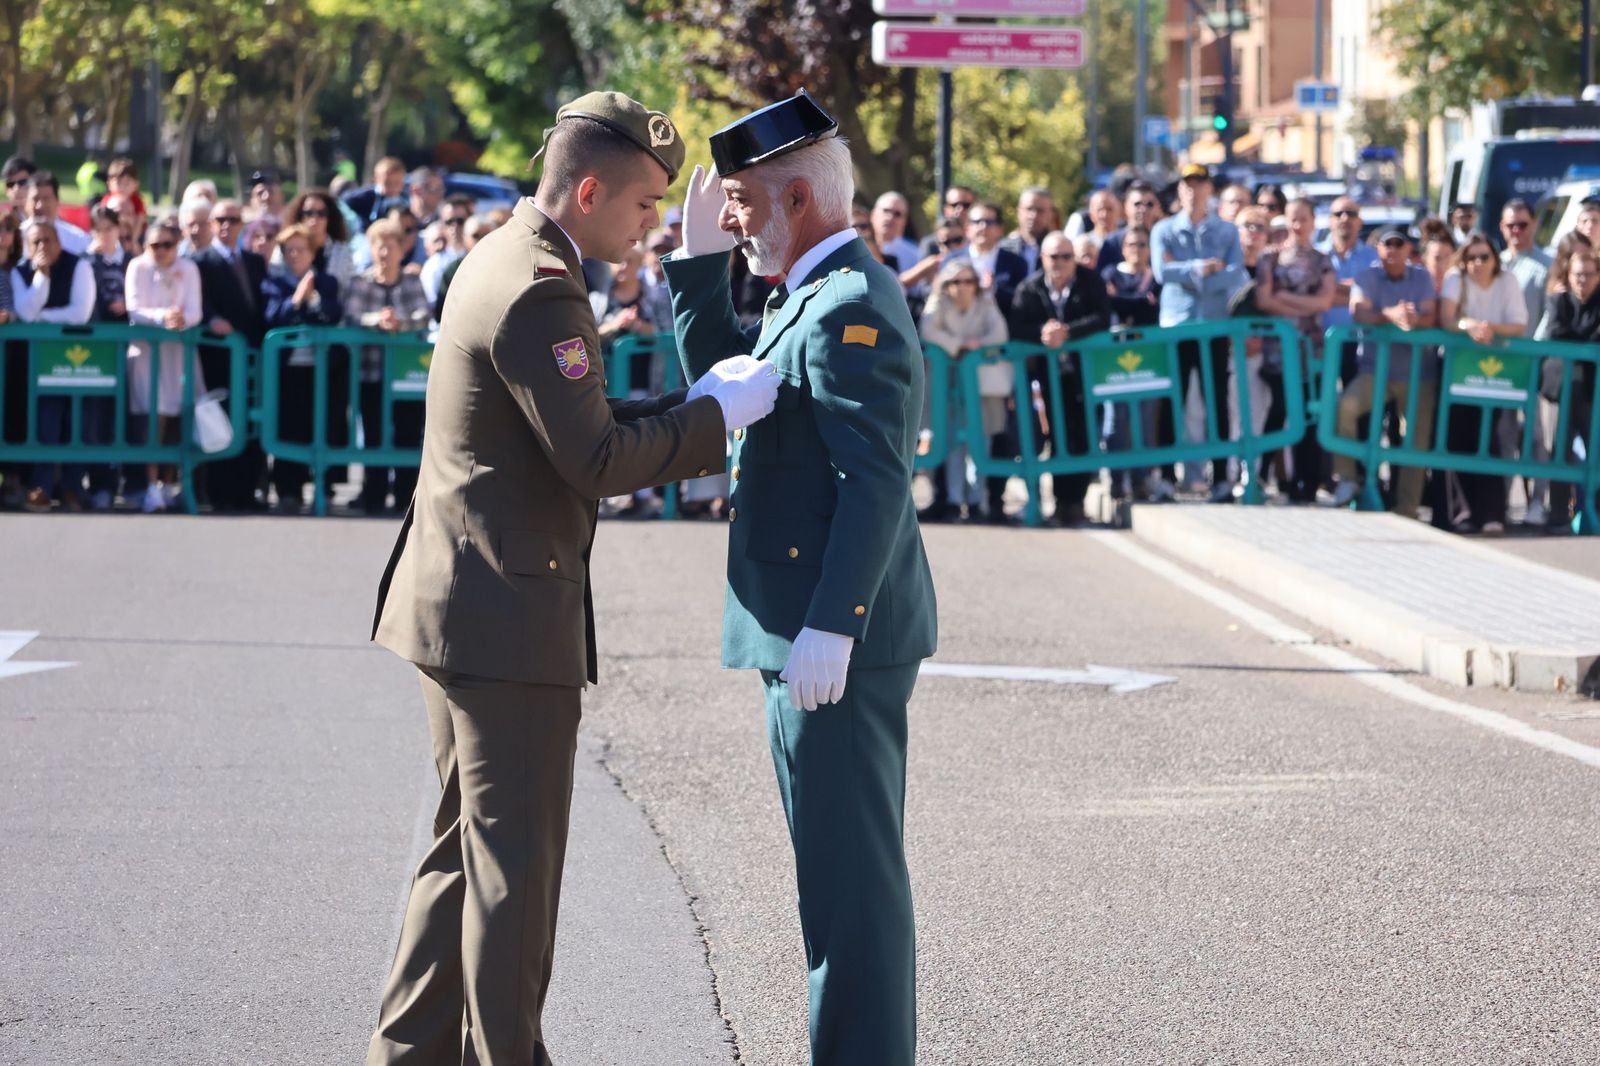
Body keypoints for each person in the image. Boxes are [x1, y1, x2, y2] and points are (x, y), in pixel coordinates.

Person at [365, 91, 775, 1066]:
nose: (646, 229)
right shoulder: (544, 287)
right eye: (640, 208)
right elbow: (592, 457)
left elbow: (569, 408)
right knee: (512, 876)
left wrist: (685, 399)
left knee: (458, 858)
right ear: (588, 191)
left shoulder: (514, 252)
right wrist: (717, 421)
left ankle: (408, 1052)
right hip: (503, 620)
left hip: (458, 605)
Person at [662, 90, 937, 1066]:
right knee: (833, 884)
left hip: (833, 645)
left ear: (797, 199)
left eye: (739, 200)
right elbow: (731, 401)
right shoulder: (810, 293)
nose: (731, 218)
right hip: (808, 635)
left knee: (850, 895)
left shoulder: (849, 303)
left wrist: (834, 621)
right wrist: (694, 270)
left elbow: (876, 480)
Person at [1331, 227, 1438, 518]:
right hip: (1374, 372)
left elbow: (1431, 315)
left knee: (1415, 439)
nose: (1392, 249)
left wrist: (1414, 318)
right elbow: (1358, 311)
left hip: (1417, 375)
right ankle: (1348, 479)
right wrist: (1389, 315)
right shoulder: (1367, 277)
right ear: (1377, 248)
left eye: (1398, 244)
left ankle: (1407, 508)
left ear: (1408, 249)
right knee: (1345, 408)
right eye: (1386, 244)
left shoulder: (1422, 277)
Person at [1151, 163, 1243, 501]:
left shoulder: (1226, 232)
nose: (1193, 191)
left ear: (1209, 190)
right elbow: (1162, 272)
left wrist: (1188, 272)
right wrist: (1201, 268)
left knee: (1215, 402)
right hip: (1177, 324)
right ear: (1179, 190)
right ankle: (1164, 476)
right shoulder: (1164, 229)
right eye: (1187, 185)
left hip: (1214, 325)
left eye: (1199, 184)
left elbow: (1234, 274)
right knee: (1170, 401)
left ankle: (1220, 478)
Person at [1010, 230, 1111, 524]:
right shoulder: (1029, 287)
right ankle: (1058, 502)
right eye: (1055, 257)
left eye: (1067, 256)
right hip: (1048, 375)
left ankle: (1076, 501)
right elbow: (1017, 325)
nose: (1061, 262)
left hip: (1086, 373)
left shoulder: (1090, 281)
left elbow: (1102, 317)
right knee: (1056, 435)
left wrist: (1068, 332)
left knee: (1084, 432)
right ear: (1043, 258)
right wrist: (1042, 334)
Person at [1436, 232, 1528, 534]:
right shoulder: (1455, 279)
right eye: (1471, 257)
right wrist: (1468, 325)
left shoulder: (1508, 282)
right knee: (1456, 438)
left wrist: (1491, 329)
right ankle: (1464, 513)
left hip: (1493, 372)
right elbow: (1447, 318)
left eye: (1484, 256)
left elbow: (1519, 324)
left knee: (1487, 437)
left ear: (1494, 259)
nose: (1478, 263)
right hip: (1456, 368)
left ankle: (1492, 513)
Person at [342, 217, 431, 515]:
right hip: (371, 372)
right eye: (379, 246)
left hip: (405, 375)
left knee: (408, 432)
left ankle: (406, 497)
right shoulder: (361, 282)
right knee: (373, 433)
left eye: (390, 245)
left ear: (400, 249)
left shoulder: (411, 281)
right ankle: (373, 495)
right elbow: (352, 316)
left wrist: (400, 323)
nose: (384, 252)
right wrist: (376, 321)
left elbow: (423, 313)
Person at [1254, 198, 1335, 502]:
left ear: (1314, 221)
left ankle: (1308, 483)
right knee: (1279, 409)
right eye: (1293, 218)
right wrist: (1302, 304)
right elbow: (1265, 301)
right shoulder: (1270, 259)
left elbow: (1324, 302)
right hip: (1279, 348)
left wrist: (1285, 297)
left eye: (1304, 218)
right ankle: (1261, 474)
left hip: (1310, 350)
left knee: (1308, 412)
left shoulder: (1321, 260)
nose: (1298, 225)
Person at [14, 216, 96, 512]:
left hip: (80, 358)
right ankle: (42, 486)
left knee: (77, 421)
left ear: (59, 242)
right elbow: (25, 310)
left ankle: (73, 487)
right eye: (35, 242)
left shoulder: (80, 266)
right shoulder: (21, 271)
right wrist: (41, 276)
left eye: (47, 240)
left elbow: (79, 313)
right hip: (39, 363)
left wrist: (43, 319)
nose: (42, 247)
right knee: (45, 421)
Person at [192, 196, 269, 512]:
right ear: (211, 225)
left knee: (253, 422)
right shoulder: (201, 261)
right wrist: (212, 320)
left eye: (233, 220)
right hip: (219, 356)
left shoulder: (253, 261)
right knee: (222, 421)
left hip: (254, 355)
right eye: (221, 220)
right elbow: (201, 303)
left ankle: (248, 492)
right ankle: (220, 493)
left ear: (242, 225)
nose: (227, 226)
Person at [261, 223, 344, 513]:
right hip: (288, 369)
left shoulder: (327, 282)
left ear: (312, 252)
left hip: (322, 369)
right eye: (289, 250)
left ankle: (325, 487)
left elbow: (333, 314)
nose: (295, 255)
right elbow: (272, 317)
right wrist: (295, 299)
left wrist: (313, 297)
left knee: (323, 425)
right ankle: (288, 490)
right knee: (289, 426)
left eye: (301, 249)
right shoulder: (273, 283)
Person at [125, 218, 203, 513]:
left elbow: (195, 310)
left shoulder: (188, 269)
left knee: (175, 418)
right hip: (146, 354)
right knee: (151, 418)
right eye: (154, 245)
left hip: (179, 354)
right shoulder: (137, 267)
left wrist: (182, 319)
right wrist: (163, 317)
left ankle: (169, 484)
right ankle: (150, 484)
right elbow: (135, 308)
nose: (160, 251)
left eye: (167, 245)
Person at [920, 259, 1008, 521]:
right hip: (945, 383)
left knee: (981, 440)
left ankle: (977, 500)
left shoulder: (986, 302)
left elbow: (1000, 333)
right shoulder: (937, 302)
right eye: (956, 282)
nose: (963, 287)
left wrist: (977, 345)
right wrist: (957, 345)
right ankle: (954, 499)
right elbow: (927, 329)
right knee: (950, 441)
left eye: (969, 281)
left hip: (978, 383)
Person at [1101, 223, 1171, 501]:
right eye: (1132, 244)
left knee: (1144, 419)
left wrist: (1129, 304)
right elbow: (1114, 305)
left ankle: (1141, 478)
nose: (1137, 250)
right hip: (1114, 359)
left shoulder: (1156, 277)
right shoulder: (1109, 274)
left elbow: (1146, 307)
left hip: (1148, 358)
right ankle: (1117, 479)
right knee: (1115, 419)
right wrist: (1138, 303)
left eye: (1143, 245)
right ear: (1123, 248)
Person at [1538, 246, 1600, 527]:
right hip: (1561, 389)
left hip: (1592, 390)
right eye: (1577, 275)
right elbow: (1554, 334)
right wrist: (1583, 340)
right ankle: (1558, 513)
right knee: (1558, 450)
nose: (1582, 281)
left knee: (1595, 452)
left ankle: (1593, 514)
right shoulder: (1558, 301)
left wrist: (1577, 339)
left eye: (1588, 275)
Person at [1318, 196, 1381, 388]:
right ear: (1330, 220)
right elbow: (1315, 294)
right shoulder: (1315, 254)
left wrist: (1333, 291)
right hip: (1321, 343)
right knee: (1321, 409)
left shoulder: (1375, 256)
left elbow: (1377, 296)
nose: (1345, 218)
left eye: (1351, 214)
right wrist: (1357, 291)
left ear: (1360, 222)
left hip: (1363, 344)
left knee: (1358, 411)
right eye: (1338, 214)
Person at [278, 189, 356, 290]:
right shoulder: (287, 247)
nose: (314, 219)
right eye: (308, 213)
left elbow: (347, 286)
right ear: (299, 215)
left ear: (329, 217)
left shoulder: (342, 251)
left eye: (321, 213)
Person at [1096, 179, 1164, 271]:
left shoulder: (1164, 239)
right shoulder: (1112, 242)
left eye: (1150, 204)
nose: (1143, 209)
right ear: (1125, 206)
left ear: (1158, 207)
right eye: (1137, 204)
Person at [419, 194, 475, 303]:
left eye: (460, 221)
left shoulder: (481, 256)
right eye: (449, 222)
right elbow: (432, 304)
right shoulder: (434, 264)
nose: (454, 226)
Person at [22, 171, 89, 255]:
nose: (40, 205)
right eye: (35, 199)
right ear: (26, 202)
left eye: (46, 199)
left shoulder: (78, 239)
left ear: (57, 201)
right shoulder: (13, 237)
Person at [343, 156, 410, 230]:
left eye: (397, 183)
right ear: (376, 179)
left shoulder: (405, 200)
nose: (392, 188)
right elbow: (346, 199)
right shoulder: (367, 197)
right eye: (387, 183)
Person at [1001, 185, 1054, 272]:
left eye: (1040, 211)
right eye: (1029, 209)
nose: (1033, 216)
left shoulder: (1059, 253)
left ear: (1050, 214)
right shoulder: (1003, 249)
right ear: (1018, 211)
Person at [870, 190, 919, 277]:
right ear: (873, 214)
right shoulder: (859, 248)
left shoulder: (915, 255)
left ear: (904, 222)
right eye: (886, 211)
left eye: (897, 214)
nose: (890, 217)